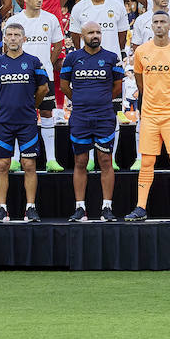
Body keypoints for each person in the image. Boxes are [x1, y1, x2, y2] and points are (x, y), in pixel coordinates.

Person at [125, 10, 170, 221]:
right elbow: (139, 81)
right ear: (151, 26)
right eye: (155, 22)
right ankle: (140, 207)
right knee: (146, 162)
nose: (159, 25)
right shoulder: (141, 51)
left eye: (163, 21)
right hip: (149, 115)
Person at [0, 21, 51, 222]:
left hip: (27, 121)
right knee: (3, 164)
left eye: (17, 35)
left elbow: (43, 89)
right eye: (9, 35)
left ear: (24, 39)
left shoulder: (33, 61)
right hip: (4, 121)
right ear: (4, 39)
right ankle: (2, 209)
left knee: (29, 164)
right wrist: (3, 105)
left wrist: (31, 105)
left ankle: (30, 208)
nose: (13, 38)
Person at [60, 21, 125, 222]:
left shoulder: (112, 58)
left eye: (98, 32)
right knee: (80, 161)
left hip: (104, 117)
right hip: (80, 117)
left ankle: (107, 207)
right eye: (90, 32)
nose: (95, 35)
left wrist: (102, 100)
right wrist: (80, 100)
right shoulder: (72, 58)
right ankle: (80, 208)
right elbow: (64, 86)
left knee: (106, 160)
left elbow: (117, 86)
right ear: (82, 35)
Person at [5, 0, 66, 172]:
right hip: (19, 77)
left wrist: (47, 62)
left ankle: (51, 159)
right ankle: (15, 159)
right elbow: (7, 48)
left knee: (47, 113)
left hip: (44, 75)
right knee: (18, 116)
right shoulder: (15, 20)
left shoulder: (51, 18)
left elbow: (58, 45)